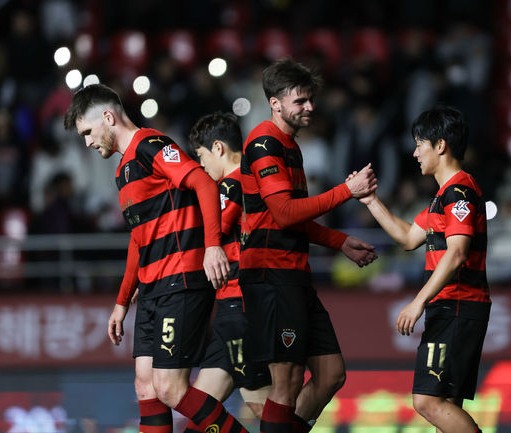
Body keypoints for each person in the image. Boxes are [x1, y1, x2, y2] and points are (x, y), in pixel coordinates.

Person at [63, 83, 248, 433]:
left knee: (169, 387)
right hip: (151, 288)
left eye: (88, 132)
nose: (86, 142)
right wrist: (121, 302)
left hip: (180, 280)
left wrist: (211, 246)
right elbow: (139, 239)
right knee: (145, 386)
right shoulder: (123, 171)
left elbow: (203, 184)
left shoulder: (151, 145)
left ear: (108, 117)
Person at [239, 58, 378, 433]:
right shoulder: (264, 142)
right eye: (299, 100)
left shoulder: (290, 147)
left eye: (310, 99)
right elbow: (284, 213)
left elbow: (292, 217)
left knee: (331, 373)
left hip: (292, 272)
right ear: (275, 102)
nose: (309, 107)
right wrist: (347, 191)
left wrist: (341, 241)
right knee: (285, 383)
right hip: (270, 275)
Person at [352, 107, 489, 433]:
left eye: (419, 144)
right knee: (446, 410)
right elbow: (407, 237)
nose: (414, 153)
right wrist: (371, 201)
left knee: (426, 401)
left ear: (440, 145)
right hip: (454, 306)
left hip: (457, 305)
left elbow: (456, 254)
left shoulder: (459, 192)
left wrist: (418, 302)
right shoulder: (444, 195)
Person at [184, 111, 272, 432]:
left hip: (241, 306)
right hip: (229, 308)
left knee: (263, 407)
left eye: (201, 156)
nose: (201, 165)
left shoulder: (233, 185)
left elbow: (212, 232)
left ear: (218, 148)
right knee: (200, 410)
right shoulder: (248, 183)